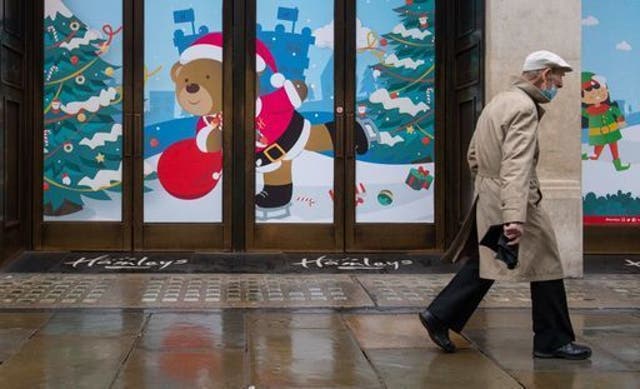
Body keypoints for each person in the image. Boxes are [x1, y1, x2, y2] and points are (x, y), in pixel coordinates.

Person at [419, 50, 592, 360]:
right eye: (558, 77)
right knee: (547, 265)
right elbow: (517, 163)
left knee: (490, 261)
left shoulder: (499, 101)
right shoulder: (524, 107)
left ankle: (440, 315)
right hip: (517, 198)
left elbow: (473, 154)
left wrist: (487, 188)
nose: (561, 84)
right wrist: (515, 214)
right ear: (542, 74)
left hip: (493, 195)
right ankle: (552, 341)